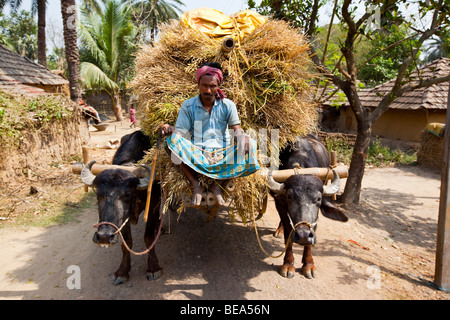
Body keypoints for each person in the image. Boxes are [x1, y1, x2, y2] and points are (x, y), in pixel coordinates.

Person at [161, 62, 259, 207]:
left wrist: (241, 137)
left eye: (212, 86)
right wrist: (169, 129)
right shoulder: (188, 106)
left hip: (224, 152)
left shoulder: (228, 105)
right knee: (172, 142)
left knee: (250, 142)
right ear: (198, 84)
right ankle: (196, 184)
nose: (208, 90)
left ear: (218, 85)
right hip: (197, 153)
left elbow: (236, 128)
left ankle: (217, 184)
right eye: (204, 85)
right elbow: (180, 132)